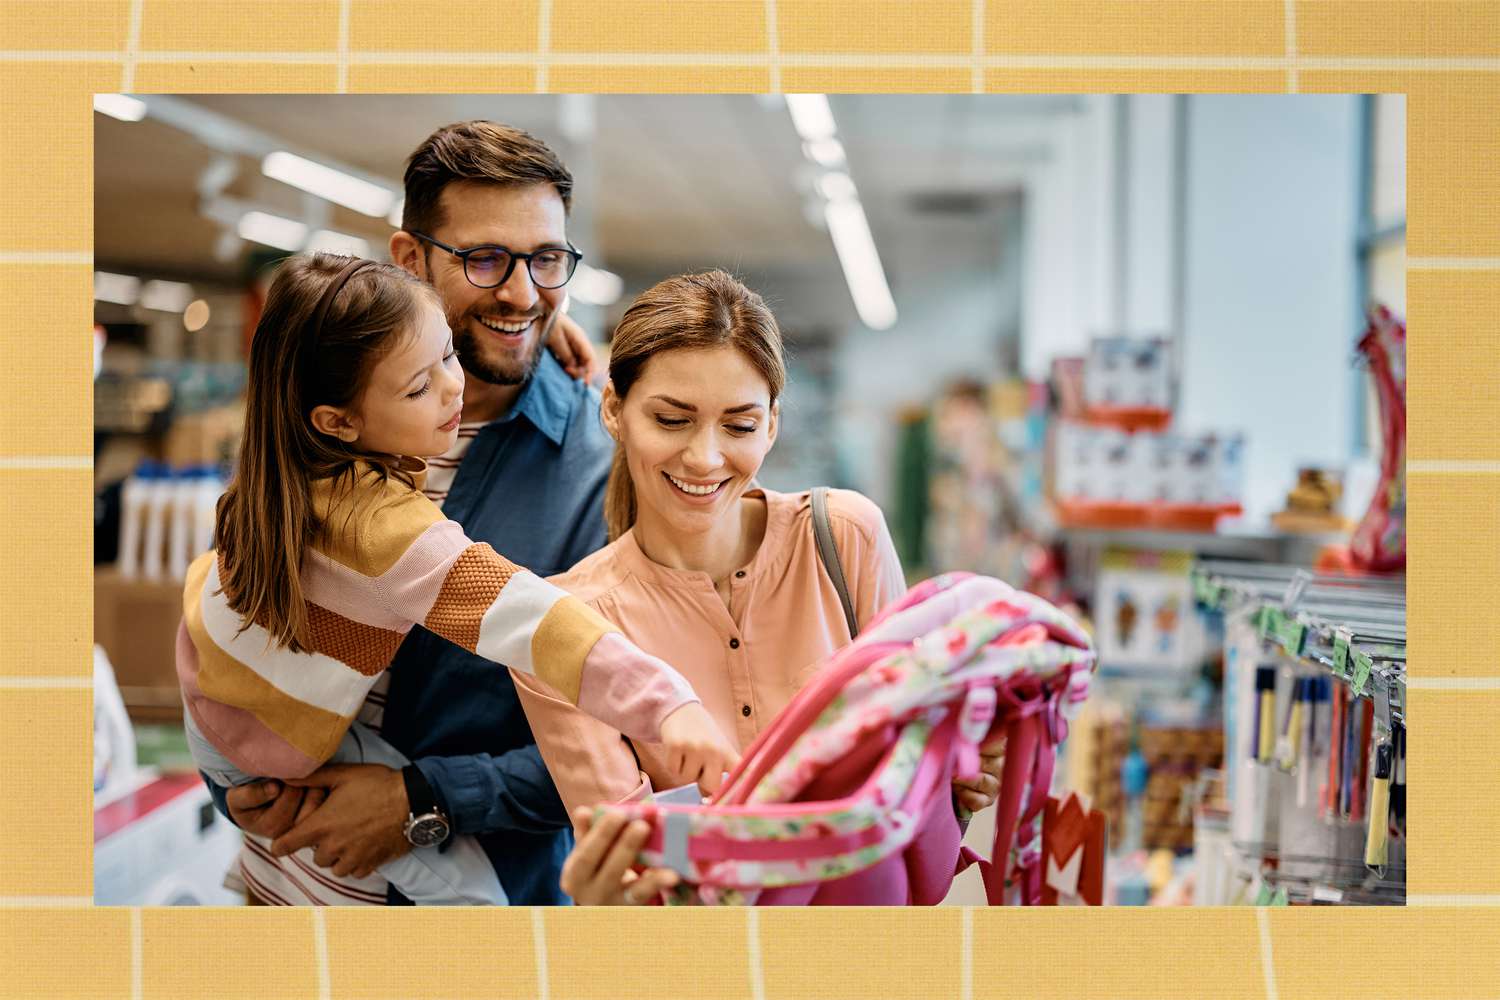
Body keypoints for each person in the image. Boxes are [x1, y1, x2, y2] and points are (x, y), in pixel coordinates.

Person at [180, 253, 738, 904]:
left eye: (450, 355)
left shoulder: (285, 470)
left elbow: (341, 322)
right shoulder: (384, 531)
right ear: (338, 420)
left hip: (220, 700)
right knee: (475, 898)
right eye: (420, 385)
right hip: (260, 748)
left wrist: (546, 329)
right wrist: (670, 703)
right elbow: (536, 620)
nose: (455, 389)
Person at [211, 121, 664, 907]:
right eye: (486, 258)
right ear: (411, 259)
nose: (523, 293)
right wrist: (238, 771)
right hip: (275, 888)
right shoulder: (324, 416)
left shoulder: (608, 469)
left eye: (546, 259)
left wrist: (426, 800)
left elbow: (640, 742)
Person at [512, 271, 1006, 904]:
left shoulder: (844, 537)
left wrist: (959, 769)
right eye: (671, 419)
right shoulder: (569, 627)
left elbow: (916, 771)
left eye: (739, 426)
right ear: (614, 410)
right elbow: (636, 874)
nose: (704, 458)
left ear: (773, 423)